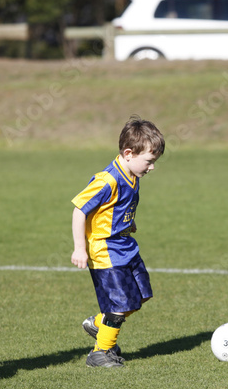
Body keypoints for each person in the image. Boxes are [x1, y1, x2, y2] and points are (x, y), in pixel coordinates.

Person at [71, 116, 165, 368]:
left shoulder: (132, 174)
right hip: (106, 251)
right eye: (149, 161)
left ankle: (99, 324)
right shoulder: (107, 179)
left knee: (140, 296)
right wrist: (80, 248)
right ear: (128, 153)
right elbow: (80, 209)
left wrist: (127, 223)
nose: (152, 167)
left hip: (125, 246)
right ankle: (100, 353)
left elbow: (116, 208)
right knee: (119, 304)